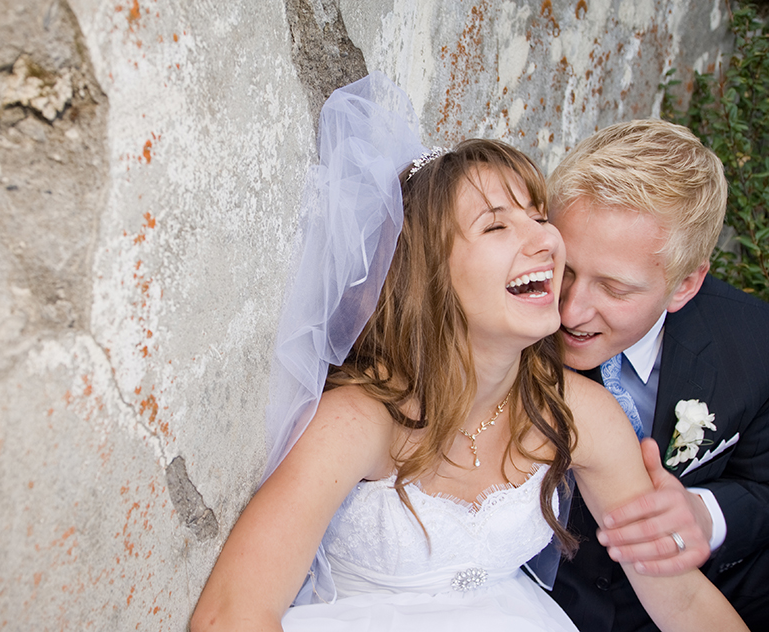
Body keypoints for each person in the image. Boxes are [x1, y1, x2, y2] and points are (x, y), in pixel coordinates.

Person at [190, 73, 749, 632]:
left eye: (537, 217)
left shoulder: (582, 416)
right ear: (430, 269)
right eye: (497, 225)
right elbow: (231, 615)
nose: (545, 242)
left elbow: (683, 602)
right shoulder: (358, 422)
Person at [546, 119, 769, 631]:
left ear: (686, 284)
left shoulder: (753, 343)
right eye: (567, 268)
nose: (572, 311)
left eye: (616, 289)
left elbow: (762, 485)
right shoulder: (508, 320)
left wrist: (704, 514)